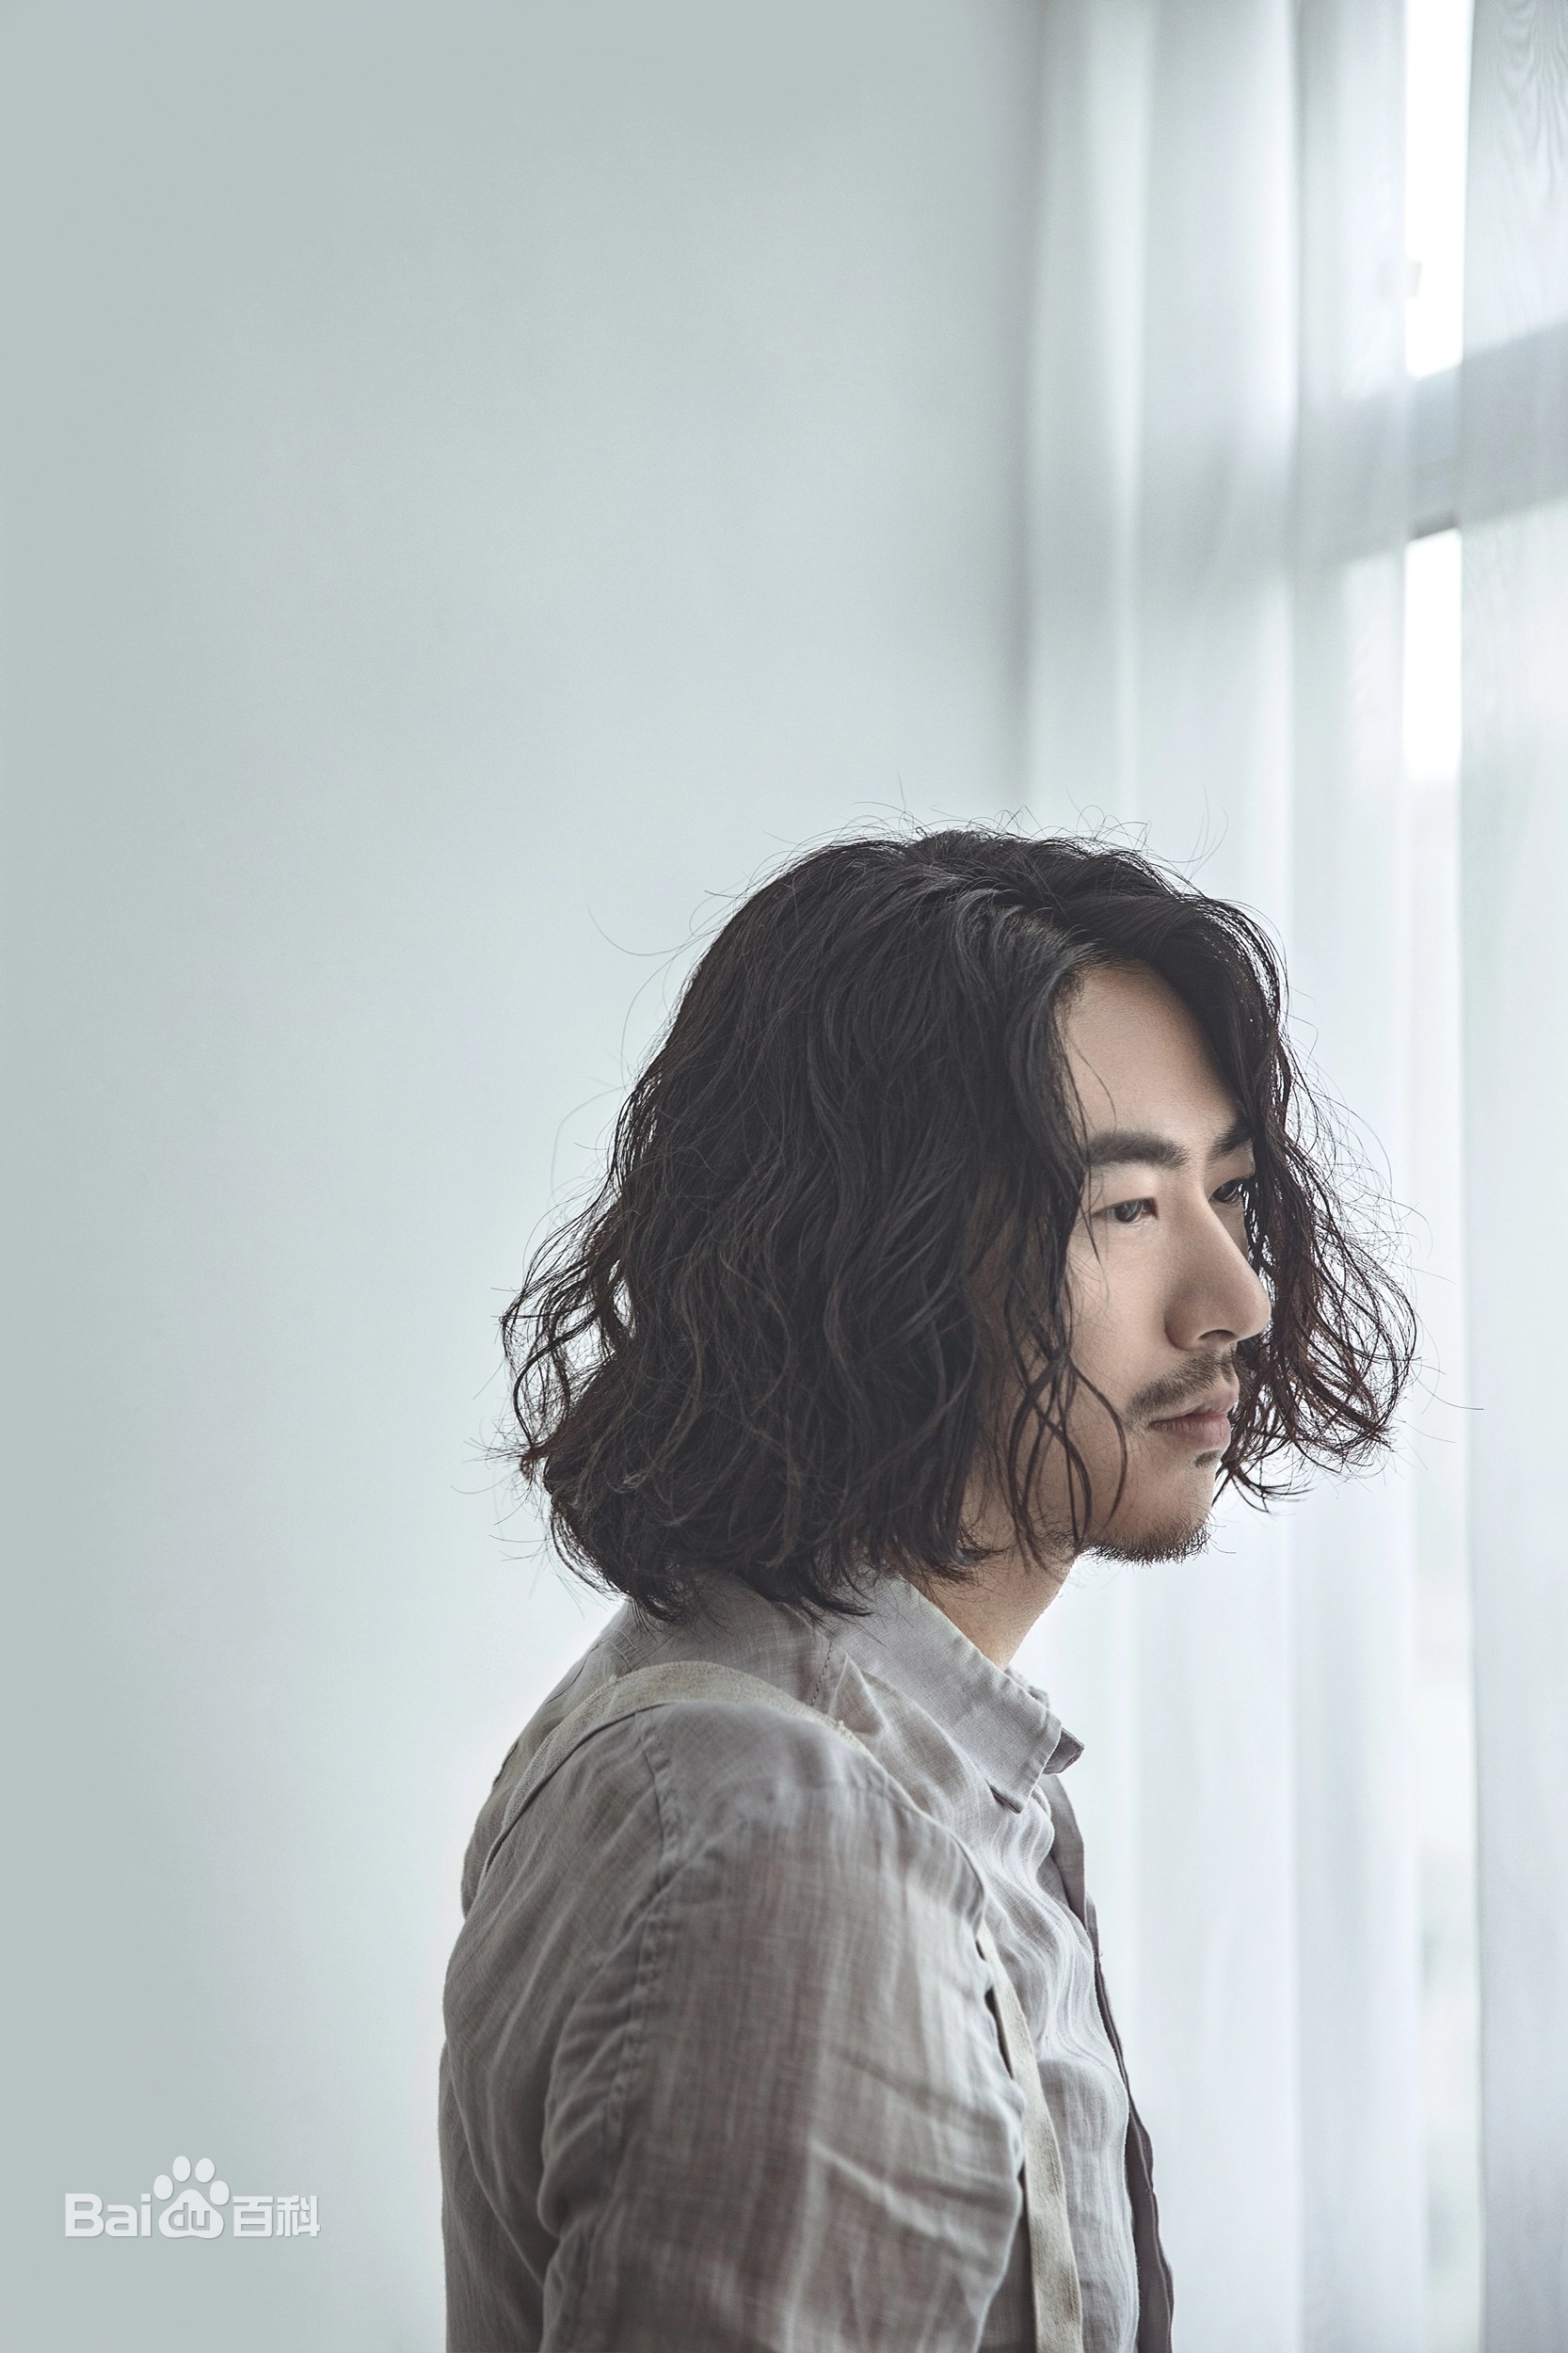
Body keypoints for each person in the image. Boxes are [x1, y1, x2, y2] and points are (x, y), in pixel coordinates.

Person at [439, 829, 1414, 2352]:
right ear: (873, 1256)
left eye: (1228, 1192)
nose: (1235, 1298)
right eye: (1122, 1210)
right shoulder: (788, 1836)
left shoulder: (892, 1754)